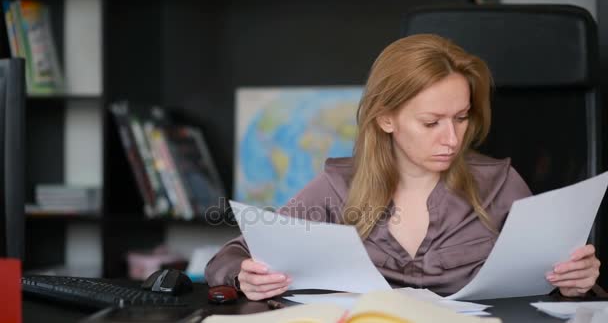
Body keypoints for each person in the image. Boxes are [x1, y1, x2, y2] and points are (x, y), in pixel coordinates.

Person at [205, 34, 601, 301]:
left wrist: (577, 280)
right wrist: (245, 273)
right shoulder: (336, 186)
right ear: (386, 119)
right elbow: (236, 252)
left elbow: (557, 280)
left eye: (461, 118)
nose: (452, 139)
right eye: (431, 123)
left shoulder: (500, 184)